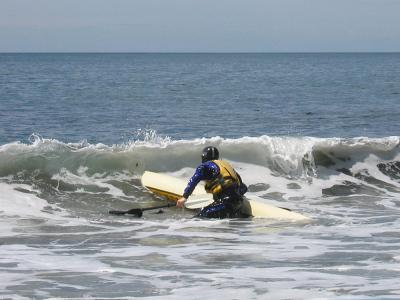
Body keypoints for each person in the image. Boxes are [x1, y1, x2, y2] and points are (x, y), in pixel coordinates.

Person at [176, 146, 248, 218]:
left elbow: (194, 180)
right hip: (238, 203)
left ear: (203, 157)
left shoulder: (204, 166)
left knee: (199, 218)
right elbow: (243, 187)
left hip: (225, 204)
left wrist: (185, 197)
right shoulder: (226, 165)